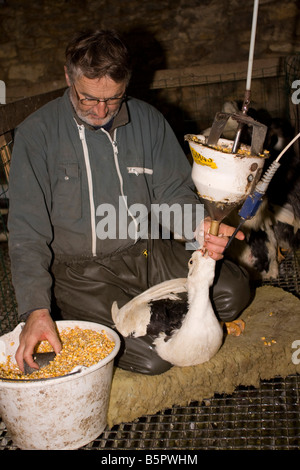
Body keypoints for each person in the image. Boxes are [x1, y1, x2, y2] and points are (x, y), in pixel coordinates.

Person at [8, 29, 250, 375]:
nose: (101, 110)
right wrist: (35, 310)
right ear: (68, 77)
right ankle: (148, 320)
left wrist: (200, 227)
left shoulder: (148, 121)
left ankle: (164, 316)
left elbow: (172, 193)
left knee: (233, 292)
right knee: (153, 359)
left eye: (114, 98)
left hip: (148, 253)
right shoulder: (37, 135)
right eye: (88, 98)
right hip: (83, 274)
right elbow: (26, 232)